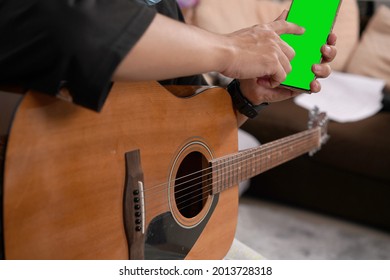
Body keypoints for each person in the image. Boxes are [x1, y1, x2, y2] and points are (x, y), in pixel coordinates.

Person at [0, 0, 337, 259]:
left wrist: (247, 96)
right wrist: (228, 49)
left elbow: (186, 119)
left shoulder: (161, 6)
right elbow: (72, 29)